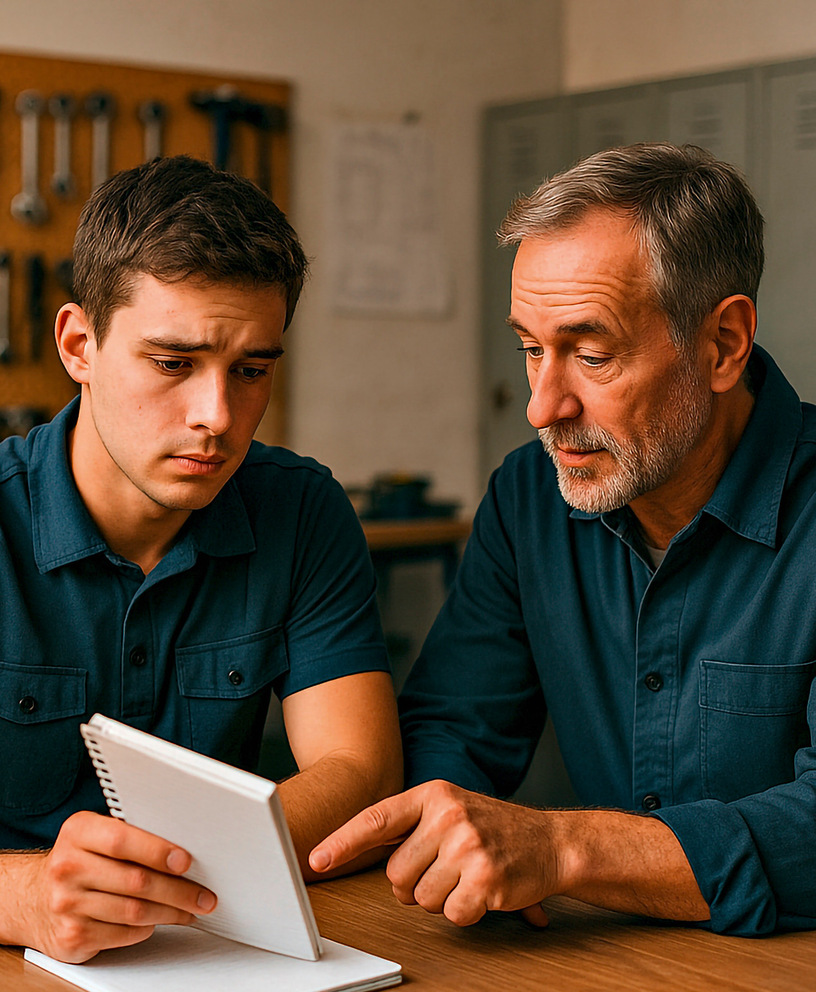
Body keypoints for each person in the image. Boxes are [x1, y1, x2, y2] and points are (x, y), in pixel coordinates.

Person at [311, 142, 816, 938]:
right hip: (606, 967)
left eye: (590, 353)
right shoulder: (528, 498)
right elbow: (454, 728)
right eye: (529, 349)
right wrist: (453, 836)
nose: (543, 406)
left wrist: (564, 846)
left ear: (722, 344)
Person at [0, 155, 401, 963]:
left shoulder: (302, 510)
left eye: (251, 370)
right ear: (79, 344)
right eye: (173, 363)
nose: (216, 417)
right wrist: (22, 896)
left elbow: (357, 764)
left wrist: (181, 881)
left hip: (205, 951)